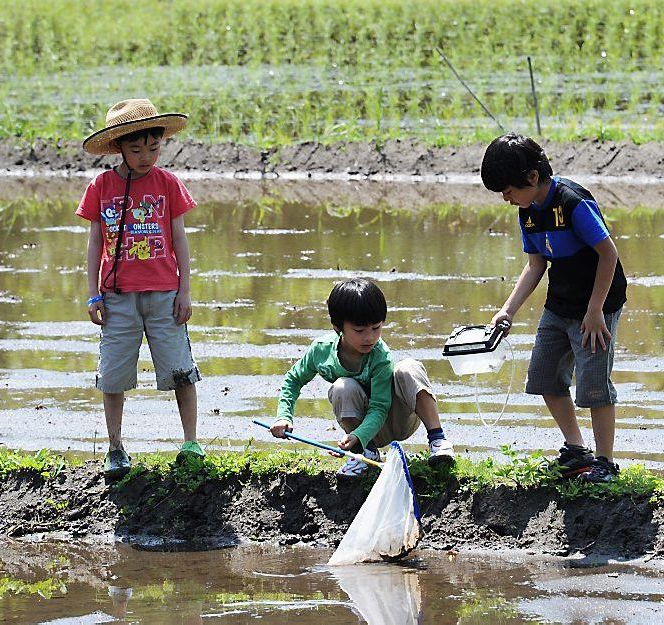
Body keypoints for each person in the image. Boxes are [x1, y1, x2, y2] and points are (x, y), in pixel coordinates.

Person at [480, 134, 627, 483]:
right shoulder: (528, 213)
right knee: (544, 375)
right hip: (560, 302)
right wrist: (508, 311)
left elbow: (609, 254)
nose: (506, 199)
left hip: (597, 303)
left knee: (593, 384)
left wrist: (595, 311)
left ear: (532, 177)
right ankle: (576, 451)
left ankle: (605, 462)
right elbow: (535, 266)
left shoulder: (573, 203)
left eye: (508, 190)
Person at [76, 98, 202, 478]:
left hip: (164, 293)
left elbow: (179, 239)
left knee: (181, 370)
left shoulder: (167, 184)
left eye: (153, 147)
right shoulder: (101, 187)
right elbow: (95, 243)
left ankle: (191, 443)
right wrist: (93, 292)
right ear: (119, 148)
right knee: (113, 375)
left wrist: (185, 291)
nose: (146, 156)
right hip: (116, 297)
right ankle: (115, 447)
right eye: (136, 149)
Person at [269, 278, 455, 477]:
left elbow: (379, 407)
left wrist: (357, 436)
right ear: (337, 327)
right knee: (342, 387)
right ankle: (365, 454)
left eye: (376, 328)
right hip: (363, 431)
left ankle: (438, 440)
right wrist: (283, 416)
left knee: (408, 368)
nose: (369, 337)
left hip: (398, 419)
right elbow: (293, 379)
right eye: (359, 330)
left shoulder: (380, 355)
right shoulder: (321, 351)